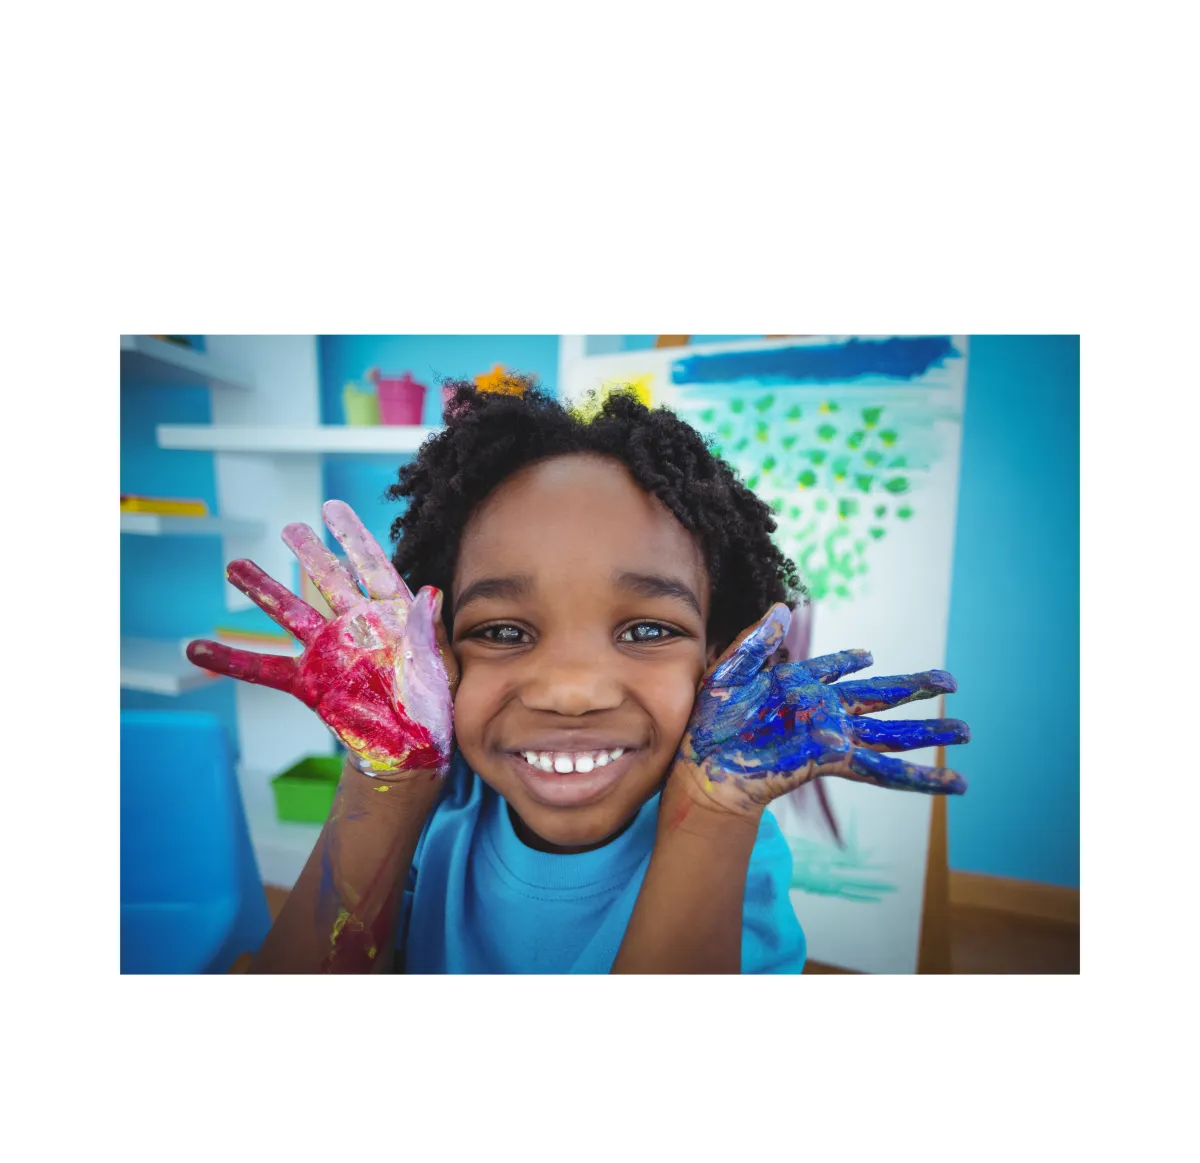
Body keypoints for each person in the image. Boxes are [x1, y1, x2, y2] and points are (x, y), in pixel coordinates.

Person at [187, 381, 970, 974]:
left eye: (647, 630)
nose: (571, 690)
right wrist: (383, 785)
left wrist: (711, 813)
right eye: (501, 632)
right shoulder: (438, 806)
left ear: (722, 655)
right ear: (442, 657)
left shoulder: (738, 848)